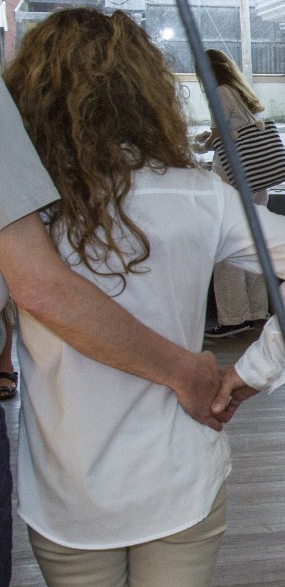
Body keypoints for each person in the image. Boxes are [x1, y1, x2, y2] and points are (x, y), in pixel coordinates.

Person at [4, 8, 285, 586]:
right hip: (178, 477)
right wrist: (251, 374)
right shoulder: (195, 194)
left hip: (67, 488)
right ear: (145, 94)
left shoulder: (21, 215)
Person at [0, 79, 225, 587]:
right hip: (138, 480)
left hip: (77, 486)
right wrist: (191, 372)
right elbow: (39, 288)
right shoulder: (190, 192)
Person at [196, 48, 272, 339]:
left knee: (227, 248)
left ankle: (232, 318)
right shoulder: (238, 92)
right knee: (252, 247)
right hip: (258, 178)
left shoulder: (220, 93)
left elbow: (222, 135)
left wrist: (202, 144)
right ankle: (255, 312)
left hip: (234, 179)